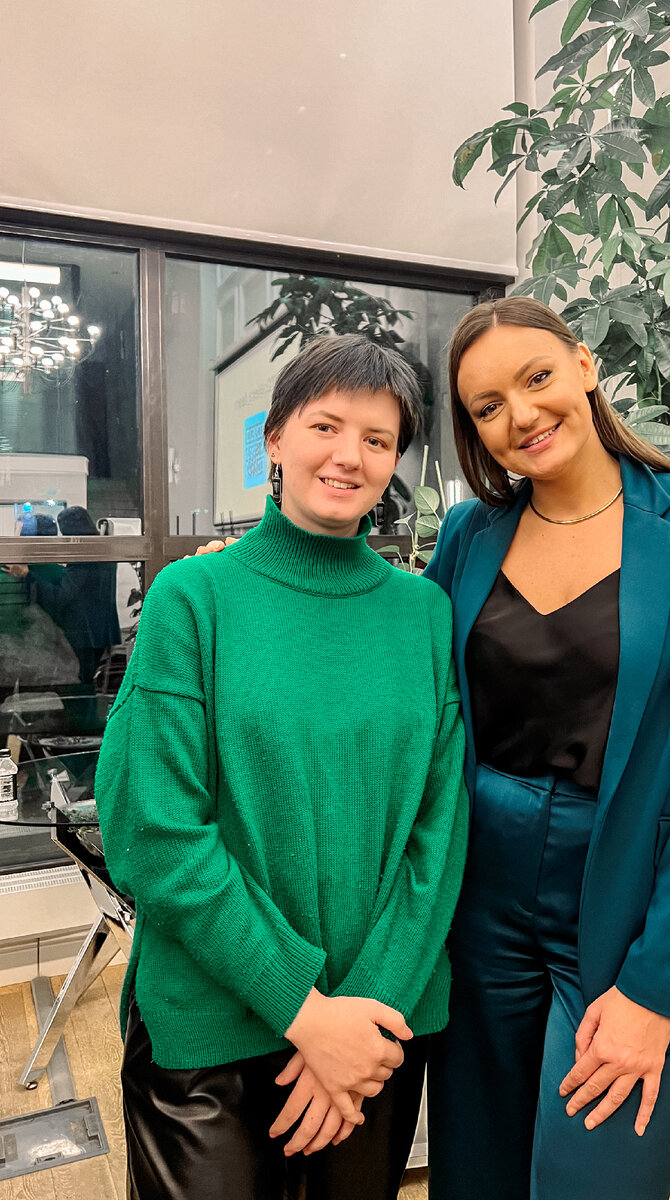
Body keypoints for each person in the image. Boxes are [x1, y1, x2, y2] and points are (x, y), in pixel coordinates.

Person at [94, 334, 469, 1200]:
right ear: (274, 437)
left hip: (376, 1024)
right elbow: (155, 832)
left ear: (397, 461)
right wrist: (304, 1012)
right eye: (324, 426)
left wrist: (359, 1018)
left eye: (377, 439)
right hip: (212, 1027)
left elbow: (439, 834)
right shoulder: (194, 599)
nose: (349, 456)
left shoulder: (423, 613)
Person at [421, 297, 670, 1200]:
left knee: (596, 1179)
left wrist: (657, 990)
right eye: (488, 406)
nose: (521, 415)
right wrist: (241, 587)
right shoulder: (467, 535)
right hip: (480, 896)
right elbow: (402, 677)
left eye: (536, 377)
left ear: (584, 365)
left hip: (629, 899)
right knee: (476, 1177)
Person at [3, 506, 120, 688]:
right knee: (88, 682)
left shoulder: (83, 560)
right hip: (103, 630)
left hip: (85, 633)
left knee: (79, 685)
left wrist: (27, 575)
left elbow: (61, 597)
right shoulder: (103, 552)